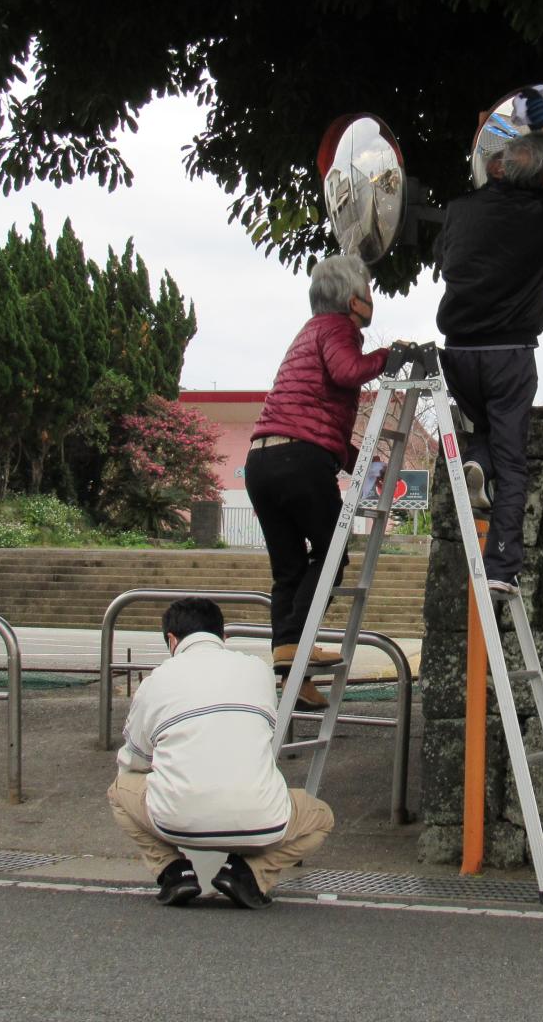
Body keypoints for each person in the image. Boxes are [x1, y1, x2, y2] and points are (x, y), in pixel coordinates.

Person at [436, 88, 543, 594]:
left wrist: (489, 139)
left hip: (456, 353)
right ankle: (501, 565)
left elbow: (448, 251)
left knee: (484, 433)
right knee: (512, 460)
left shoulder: (461, 211)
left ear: (499, 169)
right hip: (509, 354)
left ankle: (475, 460)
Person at [106, 597, 335, 909]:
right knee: (320, 817)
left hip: (175, 823)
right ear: (223, 638)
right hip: (262, 822)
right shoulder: (259, 671)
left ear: (172, 640)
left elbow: (134, 759)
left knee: (120, 791)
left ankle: (173, 871)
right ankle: (249, 874)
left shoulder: (156, 681)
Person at [246, 253, 391, 706]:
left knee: (287, 571)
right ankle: (295, 643)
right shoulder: (336, 329)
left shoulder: (307, 334)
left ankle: (291, 671)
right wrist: (389, 357)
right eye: (367, 290)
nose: (371, 298)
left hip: (262, 460)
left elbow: (316, 426)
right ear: (352, 298)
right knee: (332, 552)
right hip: (300, 461)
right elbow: (348, 371)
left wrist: (361, 462)